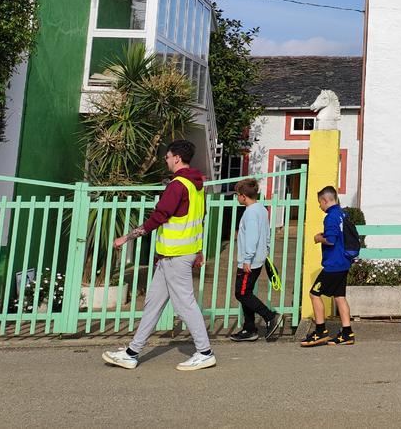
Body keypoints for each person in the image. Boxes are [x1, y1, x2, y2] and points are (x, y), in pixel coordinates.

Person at [102, 140, 216, 372]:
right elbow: (199, 220)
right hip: (174, 255)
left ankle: (205, 353)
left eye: (167, 157)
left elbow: (158, 217)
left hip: (175, 256)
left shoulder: (177, 185)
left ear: (176, 158)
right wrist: (198, 250)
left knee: (185, 305)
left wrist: (126, 238)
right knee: (153, 304)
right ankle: (132, 353)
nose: (166, 160)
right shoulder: (196, 186)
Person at [300, 186, 355, 347]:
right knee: (339, 297)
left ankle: (320, 331)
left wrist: (319, 238)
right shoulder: (343, 214)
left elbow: (331, 240)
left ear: (325, 200)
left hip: (333, 265)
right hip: (344, 262)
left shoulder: (330, 217)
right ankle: (347, 333)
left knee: (314, 294)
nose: (320, 206)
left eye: (320, 203)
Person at [229, 178, 283, 342]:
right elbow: (266, 233)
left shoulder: (251, 213)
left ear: (243, 196)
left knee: (242, 293)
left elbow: (252, 238)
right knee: (246, 293)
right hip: (257, 259)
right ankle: (249, 328)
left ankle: (270, 316)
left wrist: (247, 259)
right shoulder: (261, 209)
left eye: (237, 195)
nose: (237, 197)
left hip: (250, 262)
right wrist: (266, 250)